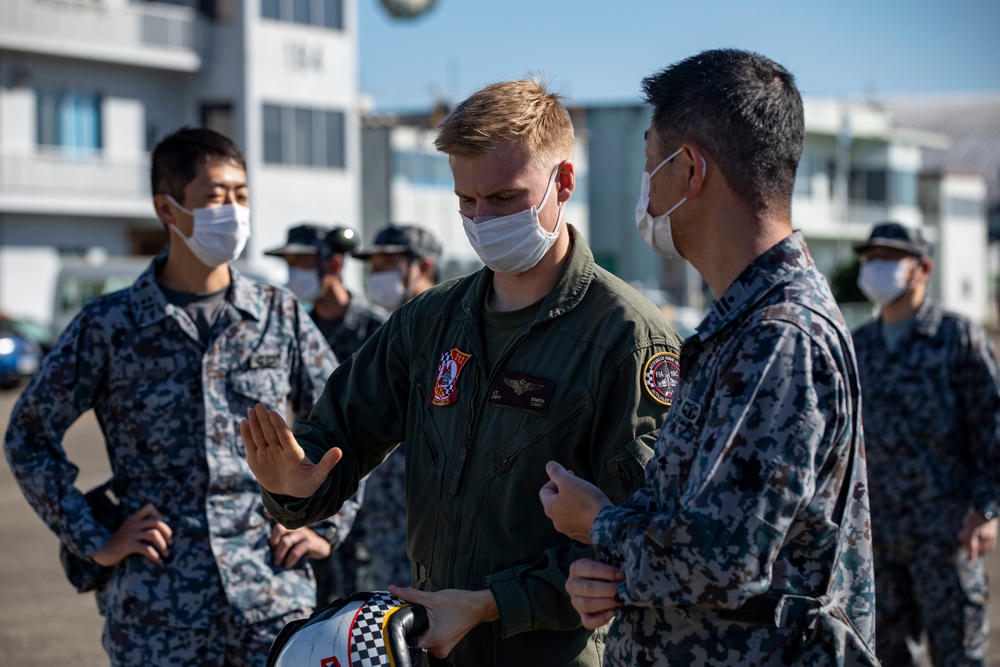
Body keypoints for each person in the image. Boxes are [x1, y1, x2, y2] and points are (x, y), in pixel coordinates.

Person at [240, 78, 683, 666]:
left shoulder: (626, 338)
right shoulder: (429, 322)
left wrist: (489, 603)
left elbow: (641, 538)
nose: (482, 220)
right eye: (465, 202)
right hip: (434, 646)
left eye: (503, 198)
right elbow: (337, 436)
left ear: (564, 182)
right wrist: (295, 485)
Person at [539, 49, 876, 666]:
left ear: (690, 169)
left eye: (650, 163)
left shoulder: (779, 335)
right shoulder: (745, 324)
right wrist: (610, 576)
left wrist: (599, 524)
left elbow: (724, 560)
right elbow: (697, 522)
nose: (645, 185)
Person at [3, 127, 339, 666]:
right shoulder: (108, 325)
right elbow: (28, 437)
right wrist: (93, 534)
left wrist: (326, 524)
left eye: (241, 195)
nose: (233, 209)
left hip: (271, 603)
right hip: (157, 611)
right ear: (168, 208)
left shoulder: (278, 313)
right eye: (215, 196)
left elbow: (348, 418)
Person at [852, 222, 1000, 666]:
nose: (878, 268)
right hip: (880, 541)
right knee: (888, 655)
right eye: (871, 258)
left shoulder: (958, 338)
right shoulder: (860, 345)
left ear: (922, 268)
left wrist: (987, 509)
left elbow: (992, 425)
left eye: (891, 259)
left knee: (960, 655)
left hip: (947, 536)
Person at [264, 224, 389, 605]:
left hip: (376, 509)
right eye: (289, 263)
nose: (293, 273)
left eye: (302, 262)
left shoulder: (377, 328)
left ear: (333, 262)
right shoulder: (297, 329)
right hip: (312, 496)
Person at [321, 224, 443, 599]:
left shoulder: (449, 330)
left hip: (434, 522)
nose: (377, 275)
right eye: (373, 265)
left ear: (422, 265)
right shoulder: (390, 332)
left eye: (388, 264)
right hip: (382, 523)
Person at [354, 224, 441, 312]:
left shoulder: (450, 317)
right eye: (373, 265)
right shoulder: (385, 322)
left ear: (423, 267)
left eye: (387, 263)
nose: (375, 273)